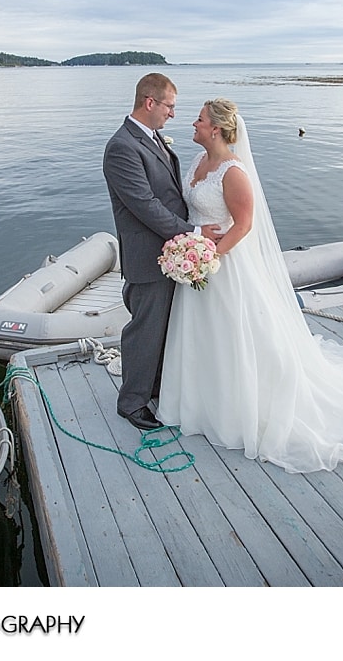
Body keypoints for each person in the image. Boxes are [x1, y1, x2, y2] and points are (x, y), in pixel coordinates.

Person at [158, 98, 343, 473]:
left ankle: (240, 405)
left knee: (236, 332)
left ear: (216, 128)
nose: (192, 123)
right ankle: (199, 400)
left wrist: (207, 258)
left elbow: (243, 226)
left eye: (198, 119)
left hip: (223, 265)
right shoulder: (198, 162)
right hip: (201, 261)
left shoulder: (233, 172)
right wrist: (193, 248)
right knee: (203, 333)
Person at [103, 73, 223, 432]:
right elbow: (145, 204)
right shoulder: (122, 146)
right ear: (150, 102)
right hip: (148, 256)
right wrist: (196, 233)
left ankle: (152, 387)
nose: (173, 114)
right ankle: (132, 402)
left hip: (169, 252)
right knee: (144, 330)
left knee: (160, 329)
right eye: (170, 105)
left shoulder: (151, 139)